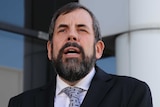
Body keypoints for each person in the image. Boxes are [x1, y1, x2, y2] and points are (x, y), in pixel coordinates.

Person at [8, 2, 153, 107]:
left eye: (82, 29)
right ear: (50, 49)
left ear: (98, 49)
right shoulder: (21, 103)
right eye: (63, 30)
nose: (72, 35)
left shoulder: (131, 93)